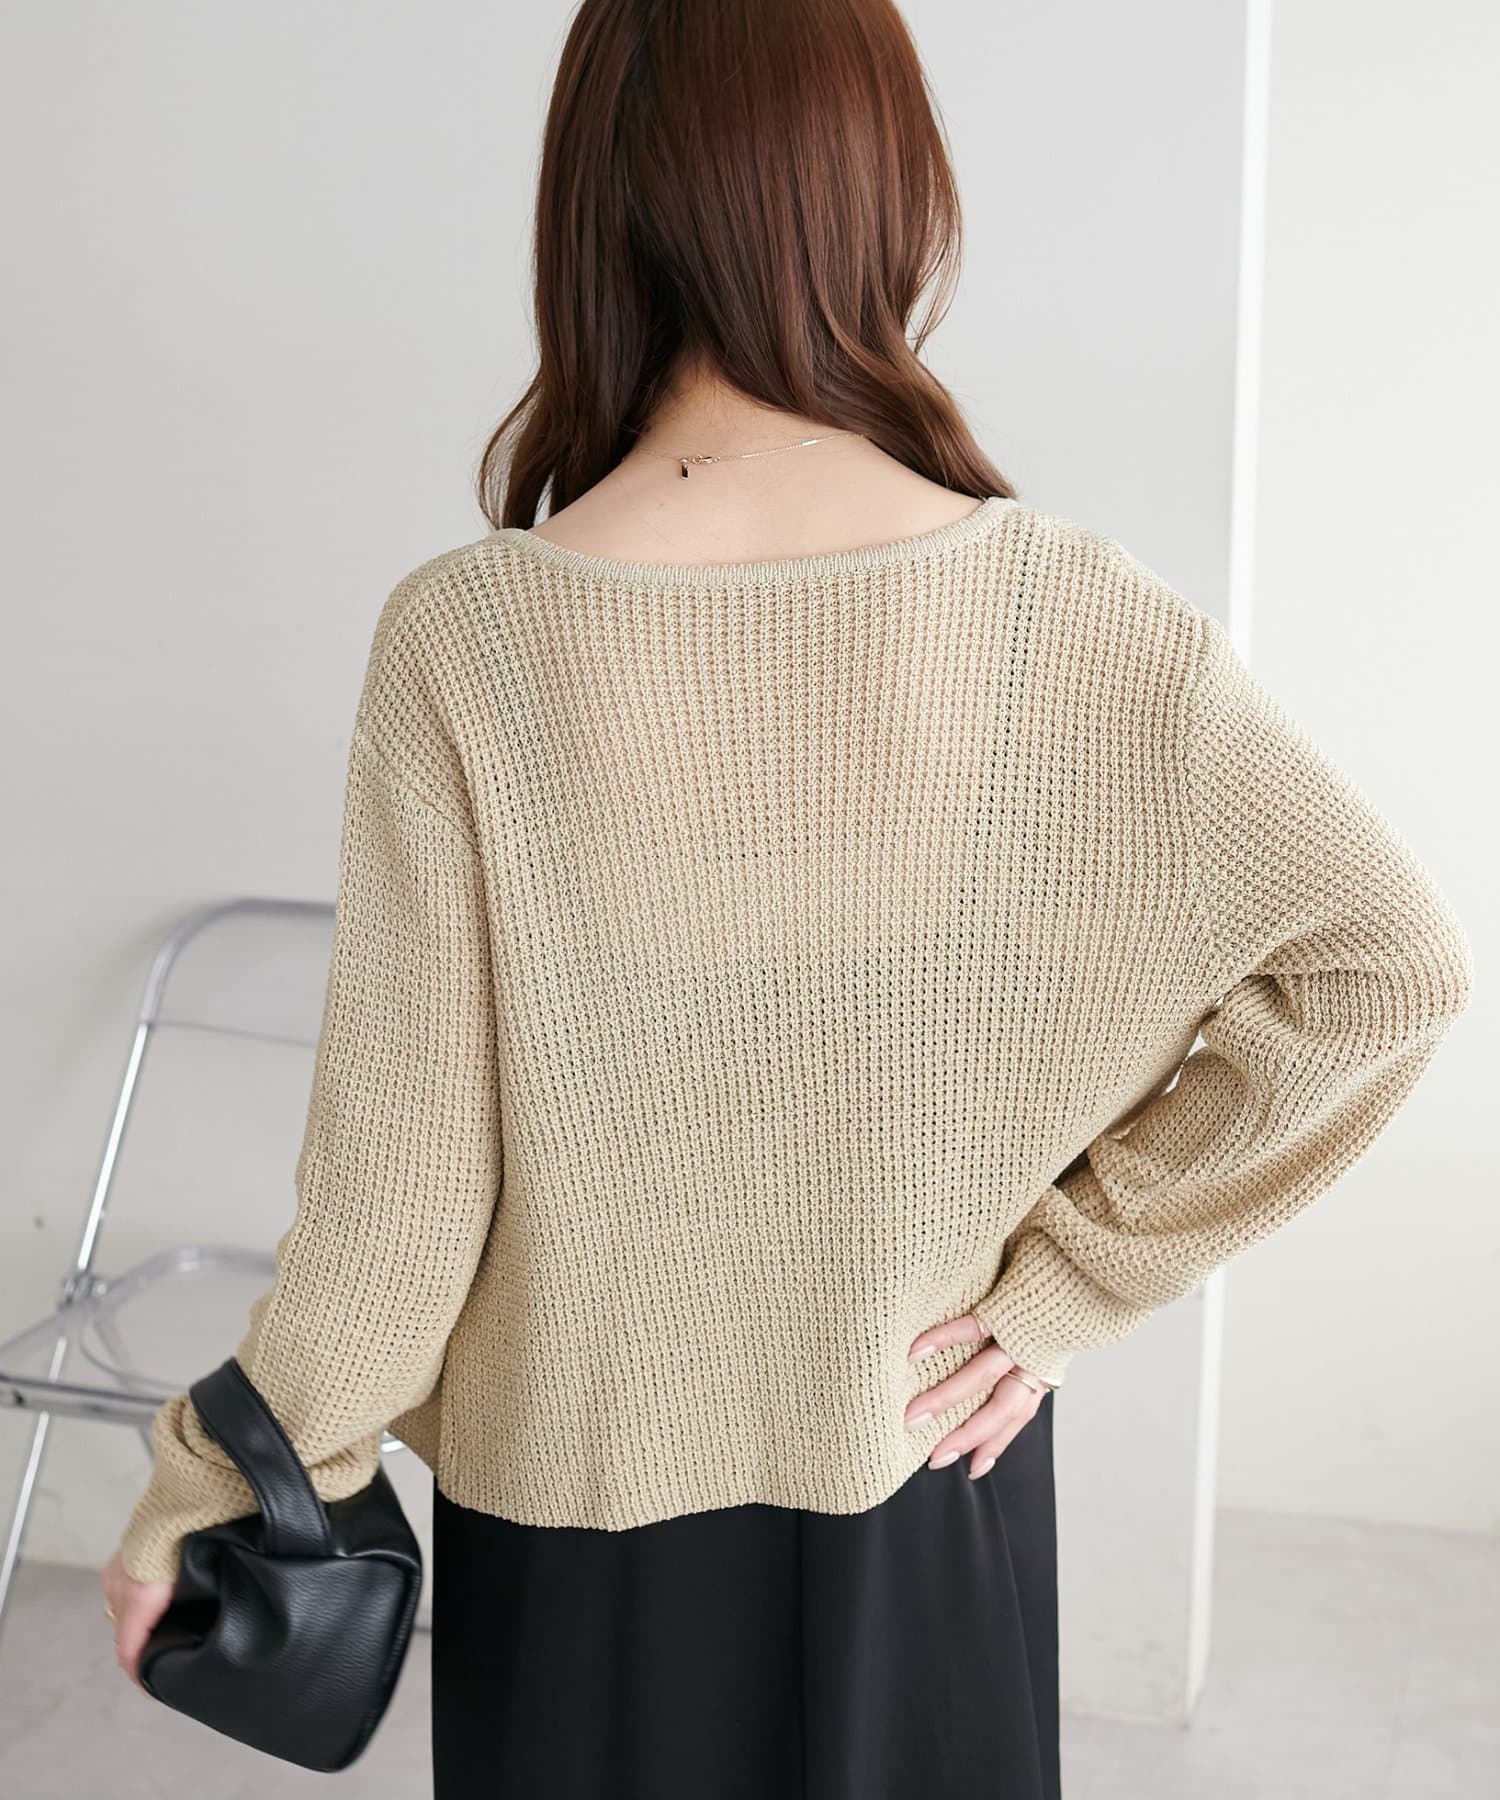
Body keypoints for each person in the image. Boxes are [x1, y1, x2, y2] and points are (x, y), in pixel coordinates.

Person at [100, 2, 1473, 1795]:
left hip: (580, 1542)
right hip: (924, 1480)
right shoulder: (1066, 611)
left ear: (593, 206)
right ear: (895, 198)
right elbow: (1387, 969)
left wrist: (215, 1482)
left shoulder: (474, 638)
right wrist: (1064, 1288)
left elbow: (400, 1207)